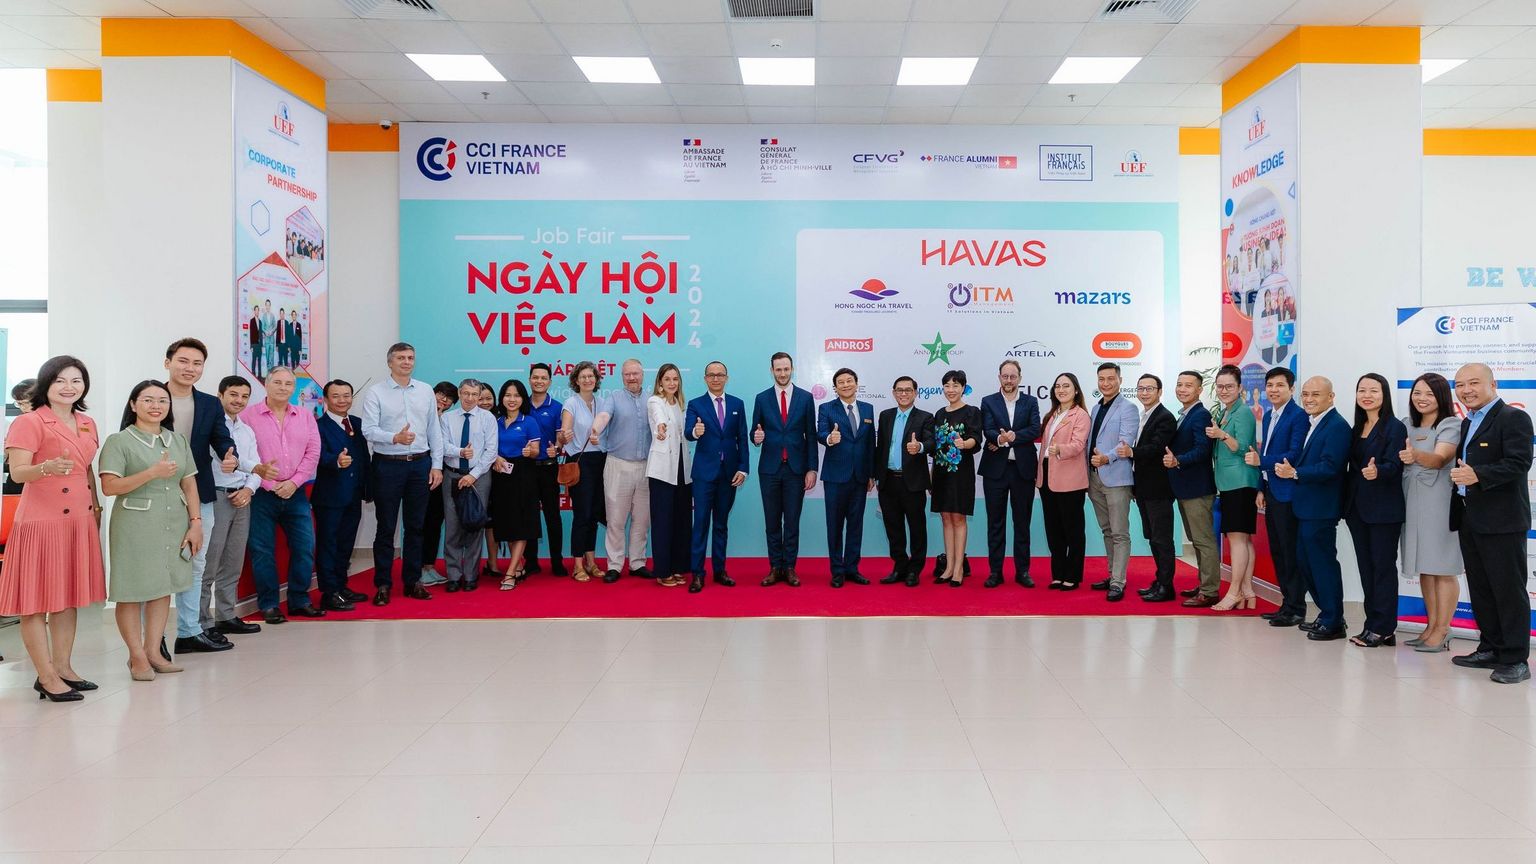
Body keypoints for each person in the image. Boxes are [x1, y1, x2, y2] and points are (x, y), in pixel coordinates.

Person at [1, 357, 104, 701]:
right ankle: (45, 676)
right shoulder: (29, 421)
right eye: (60, 380)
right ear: (46, 384)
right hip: (41, 520)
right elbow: (18, 473)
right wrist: (45, 467)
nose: (69, 387)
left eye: (76, 380)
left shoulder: (87, 422)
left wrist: (96, 507)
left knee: (68, 596)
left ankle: (63, 668)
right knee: (35, 601)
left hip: (78, 517)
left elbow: (85, 469)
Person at [98, 380, 201, 681]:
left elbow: (189, 483)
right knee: (131, 591)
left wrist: (195, 523)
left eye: (162, 400)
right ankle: (136, 656)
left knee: (162, 588)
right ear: (133, 405)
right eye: (148, 400)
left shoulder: (177, 440)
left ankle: (154, 652)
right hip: (135, 526)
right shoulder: (119, 441)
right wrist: (151, 473)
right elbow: (109, 487)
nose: (156, 406)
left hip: (174, 522)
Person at [1448, 363, 1534, 684]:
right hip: (1471, 518)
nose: (1466, 390)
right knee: (1482, 589)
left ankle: (1515, 659)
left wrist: (1479, 476)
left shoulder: (1513, 418)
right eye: (1460, 385)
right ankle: (1491, 648)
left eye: (1473, 383)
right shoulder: (1467, 421)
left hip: (1502, 521)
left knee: (1508, 591)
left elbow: (1519, 462)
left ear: (1493, 384)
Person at [163, 338, 241, 658]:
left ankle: (189, 632)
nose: (190, 368)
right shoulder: (151, 396)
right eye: (183, 361)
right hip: (156, 490)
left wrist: (229, 455)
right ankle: (152, 639)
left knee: (195, 563)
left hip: (199, 491)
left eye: (197, 363)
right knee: (156, 567)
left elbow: (221, 438)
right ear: (168, 362)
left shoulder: (209, 403)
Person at [359, 343, 444, 606]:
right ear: (390, 362)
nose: (406, 362)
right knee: (386, 528)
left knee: (416, 527)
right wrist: (394, 437)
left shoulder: (425, 390)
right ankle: (383, 584)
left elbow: (434, 430)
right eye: (401, 358)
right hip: (388, 465)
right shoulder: (376, 392)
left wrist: (437, 465)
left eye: (410, 357)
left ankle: (413, 581)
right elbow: (368, 430)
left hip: (420, 465)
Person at [1273, 375, 1352, 641]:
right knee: (1307, 563)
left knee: (1322, 564)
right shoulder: (1313, 422)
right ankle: (1328, 614)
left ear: (1331, 397)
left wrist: (1295, 473)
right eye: (1305, 394)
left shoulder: (1337, 426)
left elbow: (1330, 467)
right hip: (1306, 508)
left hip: (1322, 508)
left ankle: (1333, 620)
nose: (1308, 399)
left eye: (1315, 394)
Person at [244, 367, 324, 623]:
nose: (283, 387)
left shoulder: (305, 416)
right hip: (261, 493)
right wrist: (269, 484)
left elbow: (313, 452)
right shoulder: (248, 416)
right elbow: (245, 456)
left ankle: (299, 600)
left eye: (288, 383)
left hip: (296, 492)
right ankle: (269, 604)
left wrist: (294, 482)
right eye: (277, 382)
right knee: (262, 550)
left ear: (293, 388)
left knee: (305, 547)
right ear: (266, 384)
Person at [1398, 372, 1463, 653]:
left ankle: (1443, 629)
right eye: (1417, 392)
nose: (1421, 398)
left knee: (1442, 567)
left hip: (1438, 502)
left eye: (1429, 393)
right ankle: (1430, 626)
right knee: (1425, 566)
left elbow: (1439, 458)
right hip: (1411, 501)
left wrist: (1415, 456)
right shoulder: (1406, 424)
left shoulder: (1450, 424)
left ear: (1441, 397)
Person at [1343, 372, 1408, 647]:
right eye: (1362, 390)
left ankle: (1383, 627)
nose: (1367, 395)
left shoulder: (1394, 427)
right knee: (1366, 568)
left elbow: (1395, 465)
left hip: (1384, 509)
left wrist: (1377, 471)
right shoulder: (1357, 427)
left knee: (1382, 568)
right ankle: (1374, 625)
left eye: (1373, 390)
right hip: (1357, 509)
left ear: (1384, 395)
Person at [201, 376, 267, 635]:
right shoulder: (208, 427)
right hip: (216, 498)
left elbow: (256, 465)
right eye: (233, 394)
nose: (239, 400)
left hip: (242, 498)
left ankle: (226, 616)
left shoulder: (246, 430)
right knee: (209, 563)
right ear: (220, 395)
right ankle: (201, 623)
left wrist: (249, 490)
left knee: (233, 561)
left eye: (244, 396)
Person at [1249, 367, 1309, 627]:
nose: (1273, 390)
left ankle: (1296, 607)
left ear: (1291, 389)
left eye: (1280, 385)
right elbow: (1269, 451)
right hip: (1272, 491)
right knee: (1278, 551)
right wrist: (1261, 487)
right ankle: (1286, 605)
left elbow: (1294, 454)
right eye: (1270, 385)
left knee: (1290, 552)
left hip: (1288, 494)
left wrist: (1260, 462)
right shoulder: (1270, 415)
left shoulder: (1298, 416)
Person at [752, 352, 818, 587]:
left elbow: (811, 435)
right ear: (772, 371)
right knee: (772, 522)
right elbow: (755, 431)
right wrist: (756, 437)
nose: (782, 373)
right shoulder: (761, 398)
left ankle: (789, 567)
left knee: (791, 522)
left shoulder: (805, 398)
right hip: (769, 469)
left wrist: (812, 469)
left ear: (792, 369)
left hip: (796, 470)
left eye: (786, 369)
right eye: (778, 369)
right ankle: (774, 567)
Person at [685, 360, 748, 589]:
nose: (715, 378)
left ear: (726, 378)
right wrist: (695, 431)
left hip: (729, 474)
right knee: (701, 524)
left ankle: (720, 571)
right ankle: (697, 573)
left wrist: (743, 468)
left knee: (721, 524)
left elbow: (742, 438)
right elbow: (688, 432)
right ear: (705, 379)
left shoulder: (737, 404)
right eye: (711, 375)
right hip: (704, 474)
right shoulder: (695, 404)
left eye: (720, 374)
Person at [980, 359, 1041, 589]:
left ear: (1020, 378)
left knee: (1022, 523)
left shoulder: (1030, 402)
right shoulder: (988, 401)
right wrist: (998, 438)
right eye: (1005, 376)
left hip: (1022, 470)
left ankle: (1022, 571)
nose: (1008, 380)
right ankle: (995, 572)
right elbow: (988, 429)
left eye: (1012, 376)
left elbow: (1035, 429)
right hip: (995, 471)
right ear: (999, 378)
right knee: (995, 523)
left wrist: (1013, 437)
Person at [312, 379, 372, 611]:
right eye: (336, 396)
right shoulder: (318, 426)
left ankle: (341, 585)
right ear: (326, 400)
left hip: (354, 495)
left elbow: (364, 457)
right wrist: (335, 461)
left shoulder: (357, 423)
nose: (342, 400)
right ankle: (329, 593)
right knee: (328, 544)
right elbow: (315, 455)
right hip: (330, 496)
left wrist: (368, 488)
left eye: (346, 395)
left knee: (346, 542)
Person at [591, 359, 652, 583]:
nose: (632, 378)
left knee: (642, 520)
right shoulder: (614, 398)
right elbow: (603, 416)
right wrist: (595, 429)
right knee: (615, 520)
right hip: (618, 465)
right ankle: (614, 565)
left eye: (635, 373)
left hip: (646, 467)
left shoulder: (652, 399)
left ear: (642, 375)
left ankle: (637, 563)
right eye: (627, 374)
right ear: (622, 377)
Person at [1208, 364, 1261, 611]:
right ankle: (1247, 590)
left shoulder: (1243, 412)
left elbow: (1243, 448)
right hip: (1230, 482)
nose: (1224, 390)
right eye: (1220, 386)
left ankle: (1234, 591)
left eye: (1229, 386)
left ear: (1240, 388)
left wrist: (1221, 435)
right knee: (1242, 539)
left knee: (1237, 539)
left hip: (1241, 481)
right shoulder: (1225, 411)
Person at [818, 367, 877, 588]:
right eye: (840, 382)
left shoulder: (868, 409)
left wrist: (871, 474)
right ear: (835, 387)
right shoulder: (826, 408)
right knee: (834, 526)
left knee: (855, 525)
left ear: (856, 383)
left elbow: (870, 444)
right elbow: (820, 433)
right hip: (835, 477)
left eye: (849, 381)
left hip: (860, 477)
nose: (845, 385)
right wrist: (829, 438)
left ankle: (852, 568)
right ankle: (837, 571)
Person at [1165, 372, 1220, 607]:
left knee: (1203, 540)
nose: (1182, 389)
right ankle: (1204, 584)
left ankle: (1209, 591)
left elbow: (1202, 449)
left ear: (1199, 390)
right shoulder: (1186, 414)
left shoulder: (1200, 415)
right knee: (1197, 540)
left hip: (1197, 488)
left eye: (1189, 385)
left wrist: (1178, 460)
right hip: (1186, 488)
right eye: (1179, 384)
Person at [874, 375, 933, 587]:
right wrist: (875, 476)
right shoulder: (885, 416)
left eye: (908, 390)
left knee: (917, 528)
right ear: (893, 393)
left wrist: (920, 447)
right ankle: (899, 566)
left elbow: (932, 443)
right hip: (888, 481)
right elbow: (880, 448)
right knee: (893, 528)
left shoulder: (925, 417)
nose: (904, 393)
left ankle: (915, 569)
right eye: (899, 390)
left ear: (915, 393)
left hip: (913, 482)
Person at [1086, 362, 1139, 601]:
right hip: (1094, 478)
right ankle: (1112, 575)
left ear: (1120, 380)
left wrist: (1106, 457)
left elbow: (1126, 442)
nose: (1105, 383)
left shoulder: (1128, 408)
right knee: (1107, 530)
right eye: (1101, 379)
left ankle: (1118, 582)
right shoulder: (1096, 408)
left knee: (1119, 533)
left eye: (1110, 378)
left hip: (1116, 478)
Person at [440, 378, 497, 592]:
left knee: (475, 524)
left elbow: (491, 451)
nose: (470, 398)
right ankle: (454, 575)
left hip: (479, 477)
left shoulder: (487, 418)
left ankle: (471, 575)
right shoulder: (447, 418)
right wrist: (460, 452)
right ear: (459, 393)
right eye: (466, 393)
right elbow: (442, 445)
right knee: (453, 526)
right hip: (452, 475)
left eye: (474, 394)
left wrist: (473, 475)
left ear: (479, 396)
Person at [1126, 374, 1178, 602]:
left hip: (1159, 489)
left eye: (1149, 389)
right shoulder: (1144, 415)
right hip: (1144, 488)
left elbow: (1157, 448)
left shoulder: (1165, 417)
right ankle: (1160, 581)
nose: (1144, 393)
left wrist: (1131, 452)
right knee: (1153, 537)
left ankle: (1167, 587)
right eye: (1141, 388)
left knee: (1162, 539)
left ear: (1159, 391)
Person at [928, 370, 982, 587]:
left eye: (956, 385)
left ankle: (959, 568)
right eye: (947, 386)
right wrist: (931, 474)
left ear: (963, 388)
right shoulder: (939, 413)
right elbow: (935, 447)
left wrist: (964, 443)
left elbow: (976, 439)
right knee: (945, 518)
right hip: (940, 473)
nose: (951, 390)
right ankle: (949, 567)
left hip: (961, 473)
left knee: (958, 518)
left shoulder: (972, 412)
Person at [1037, 372, 1090, 590]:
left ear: (1076, 390)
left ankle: (1073, 575)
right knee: (1054, 530)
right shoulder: (1051, 415)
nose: (1061, 390)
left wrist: (1060, 449)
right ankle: (1058, 574)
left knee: (1073, 530)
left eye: (1066, 386)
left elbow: (1078, 445)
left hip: (1070, 479)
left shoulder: (1081, 415)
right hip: (1046, 477)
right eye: (1058, 386)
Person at [488, 379, 542, 589]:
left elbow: (536, 450)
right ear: (502, 398)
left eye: (517, 395)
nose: (512, 399)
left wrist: (531, 451)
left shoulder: (529, 421)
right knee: (507, 523)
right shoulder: (495, 421)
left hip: (523, 475)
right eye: (508, 395)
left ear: (522, 399)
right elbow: (487, 447)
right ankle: (518, 566)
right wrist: (494, 457)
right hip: (500, 476)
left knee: (522, 524)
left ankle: (510, 573)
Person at [646, 364, 694, 590]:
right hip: (662, 472)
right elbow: (659, 420)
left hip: (683, 471)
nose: (672, 383)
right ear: (660, 383)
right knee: (663, 522)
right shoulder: (655, 401)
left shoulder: (681, 404)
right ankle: (663, 570)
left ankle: (678, 567)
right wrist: (661, 428)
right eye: (667, 379)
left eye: (675, 379)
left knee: (681, 522)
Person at [560, 361, 608, 582]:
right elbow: (564, 432)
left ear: (596, 379)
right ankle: (578, 565)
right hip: (580, 462)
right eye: (583, 377)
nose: (588, 380)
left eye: (591, 376)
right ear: (576, 381)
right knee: (582, 514)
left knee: (594, 514)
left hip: (601, 461)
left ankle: (591, 562)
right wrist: (564, 435)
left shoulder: (603, 403)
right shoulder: (571, 403)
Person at [524, 363, 566, 577]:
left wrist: (557, 449)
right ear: (529, 379)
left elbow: (561, 439)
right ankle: (531, 562)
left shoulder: (557, 407)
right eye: (535, 377)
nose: (539, 381)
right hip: (526, 469)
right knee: (529, 516)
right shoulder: (521, 405)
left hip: (549, 468)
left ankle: (557, 562)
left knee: (553, 516)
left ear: (549, 382)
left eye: (543, 378)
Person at [418, 381, 458, 587]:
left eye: (449, 399)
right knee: (419, 522)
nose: (444, 400)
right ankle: (416, 568)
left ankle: (429, 566)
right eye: (441, 394)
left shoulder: (447, 420)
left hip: (440, 475)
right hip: (419, 475)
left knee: (434, 521)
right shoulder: (418, 414)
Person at [2, 378, 37, 496]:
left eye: (27, 403)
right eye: (20, 404)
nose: (23, 408)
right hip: (19, 480)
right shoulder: (20, 422)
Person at [248, 306, 264, 379]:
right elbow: (251, 333)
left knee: (259, 360)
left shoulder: (260, 321)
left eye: (258, 310)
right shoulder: (251, 321)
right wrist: (251, 346)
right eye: (256, 310)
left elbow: (261, 334)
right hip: (254, 344)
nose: (257, 311)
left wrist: (262, 345)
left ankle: (259, 375)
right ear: (254, 311)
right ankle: (253, 374)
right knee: (254, 360)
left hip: (259, 345)